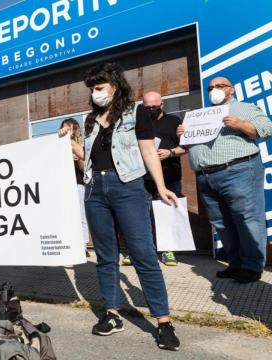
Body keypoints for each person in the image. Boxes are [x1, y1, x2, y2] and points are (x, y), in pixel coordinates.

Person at [62, 63, 180, 350]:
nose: (95, 93)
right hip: (95, 191)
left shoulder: (135, 112)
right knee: (106, 256)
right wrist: (70, 148)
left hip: (127, 186)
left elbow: (148, 151)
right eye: (92, 89)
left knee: (143, 254)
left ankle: (163, 322)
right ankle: (112, 314)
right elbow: (86, 158)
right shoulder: (89, 120)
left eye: (99, 88)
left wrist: (161, 186)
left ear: (114, 86)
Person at [178, 76, 272, 283]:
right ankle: (236, 263)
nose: (214, 90)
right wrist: (184, 135)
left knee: (247, 218)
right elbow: (187, 147)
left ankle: (252, 266)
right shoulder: (200, 115)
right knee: (221, 222)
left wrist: (240, 124)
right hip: (205, 176)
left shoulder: (245, 108)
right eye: (211, 88)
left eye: (220, 86)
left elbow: (266, 130)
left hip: (239, 171)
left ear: (232, 89)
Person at [122, 91, 187, 267]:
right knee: (139, 214)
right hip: (143, 176)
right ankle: (135, 251)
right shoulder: (137, 123)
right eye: (146, 107)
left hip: (170, 175)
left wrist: (170, 152)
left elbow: (187, 147)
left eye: (154, 107)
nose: (150, 110)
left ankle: (168, 250)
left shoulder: (174, 121)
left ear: (161, 105)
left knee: (167, 212)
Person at [59, 118, 90, 255]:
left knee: (81, 215)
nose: (67, 131)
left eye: (70, 128)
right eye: (65, 128)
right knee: (65, 216)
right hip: (63, 186)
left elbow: (85, 169)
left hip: (78, 184)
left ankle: (83, 245)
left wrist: (78, 159)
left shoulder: (81, 145)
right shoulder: (58, 145)